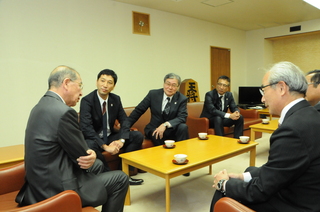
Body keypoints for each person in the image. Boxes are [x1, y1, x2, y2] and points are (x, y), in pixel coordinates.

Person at [210, 61, 320, 212]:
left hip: (297, 203)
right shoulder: (311, 114)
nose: (262, 99)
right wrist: (242, 177)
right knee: (249, 172)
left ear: (282, 88)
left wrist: (224, 184)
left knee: (223, 193)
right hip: (305, 189)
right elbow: (280, 168)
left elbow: (260, 191)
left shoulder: (292, 130)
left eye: (263, 90)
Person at [16, 66, 129, 212]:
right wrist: (91, 153)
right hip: (55, 188)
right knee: (120, 179)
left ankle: (89, 196)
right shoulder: (64, 112)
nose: (81, 92)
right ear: (67, 83)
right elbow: (83, 155)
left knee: (98, 164)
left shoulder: (40, 106)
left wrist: (90, 156)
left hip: (39, 180)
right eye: (80, 85)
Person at [79, 69, 144, 185]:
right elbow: (86, 128)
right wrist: (105, 147)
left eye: (109, 82)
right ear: (96, 82)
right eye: (102, 81)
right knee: (88, 145)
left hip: (110, 136)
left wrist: (121, 140)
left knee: (137, 136)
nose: (105, 85)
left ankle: (124, 174)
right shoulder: (87, 101)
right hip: (94, 138)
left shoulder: (115, 99)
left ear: (113, 86)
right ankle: (111, 178)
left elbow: (125, 120)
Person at [122, 73, 189, 146]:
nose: (170, 87)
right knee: (157, 133)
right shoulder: (153, 94)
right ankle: (162, 156)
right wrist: (125, 126)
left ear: (178, 87)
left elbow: (182, 117)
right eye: (168, 84)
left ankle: (180, 154)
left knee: (183, 127)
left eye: (173, 85)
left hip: (171, 129)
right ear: (164, 84)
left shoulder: (182, 99)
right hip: (154, 128)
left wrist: (165, 125)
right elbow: (139, 110)